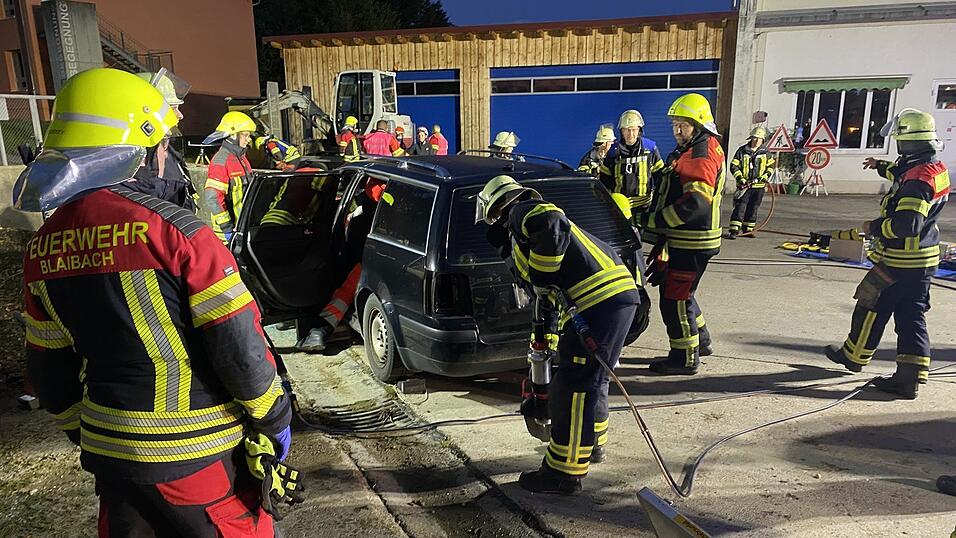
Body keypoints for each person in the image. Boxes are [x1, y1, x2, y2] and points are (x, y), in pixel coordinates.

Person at [13, 67, 295, 537]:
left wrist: (84, 432)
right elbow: (240, 352)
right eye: (164, 144)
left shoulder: (43, 246)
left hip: (112, 463)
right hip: (197, 460)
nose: (168, 156)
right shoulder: (181, 234)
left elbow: (48, 370)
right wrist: (275, 419)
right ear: (141, 153)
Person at [477, 174, 641, 495]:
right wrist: (547, 351)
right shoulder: (522, 238)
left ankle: (562, 473)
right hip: (614, 300)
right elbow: (547, 305)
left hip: (597, 301)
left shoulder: (524, 211)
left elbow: (551, 223)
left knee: (574, 385)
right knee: (591, 378)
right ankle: (591, 446)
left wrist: (540, 272)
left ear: (497, 209)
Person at [824, 108, 949, 399]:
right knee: (911, 316)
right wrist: (879, 165)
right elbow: (899, 172)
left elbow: (907, 224)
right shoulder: (932, 167)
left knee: (870, 302)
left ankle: (853, 357)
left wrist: (874, 227)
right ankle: (910, 378)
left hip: (901, 260)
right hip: (923, 260)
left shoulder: (917, 182)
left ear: (907, 142)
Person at [641, 93, 724, 375]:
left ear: (699, 125)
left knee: (674, 299)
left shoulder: (699, 155)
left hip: (691, 240)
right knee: (685, 293)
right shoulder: (701, 147)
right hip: (692, 240)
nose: (677, 131)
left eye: (683, 125)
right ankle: (702, 341)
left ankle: (684, 358)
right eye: (675, 125)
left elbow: (696, 203)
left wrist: (658, 220)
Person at [297, 179, 386, 352]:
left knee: (346, 288)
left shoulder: (362, 219)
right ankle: (321, 330)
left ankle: (321, 329)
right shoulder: (400, 208)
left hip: (365, 266)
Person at [127, 70, 196, 211]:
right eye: (172, 108)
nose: (180, 115)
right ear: (147, 110)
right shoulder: (130, 159)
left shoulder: (166, 150)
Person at [600, 110, 664, 228]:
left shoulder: (650, 148)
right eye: (627, 130)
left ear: (639, 130)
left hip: (645, 206)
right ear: (621, 131)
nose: (631, 134)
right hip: (621, 207)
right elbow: (604, 181)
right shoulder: (613, 152)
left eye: (634, 129)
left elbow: (660, 177)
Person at [202, 111, 256, 244]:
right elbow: (212, 198)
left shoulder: (241, 158)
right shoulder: (221, 160)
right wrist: (227, 229)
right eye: (245, 135)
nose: (249, 139)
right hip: (229, 232)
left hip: (242, 226)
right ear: (232, 135)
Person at [728, 126, 774, 239]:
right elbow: (734, 166)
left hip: (759, 186)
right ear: (751, 138)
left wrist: (764, 176)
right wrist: (741, 179)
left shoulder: (766, 153)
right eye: (755, 138)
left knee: (753, 207)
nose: (757, 141)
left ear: (763, 140)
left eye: (759, 139)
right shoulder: (742, 151)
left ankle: (748, 229)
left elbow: (771, 166)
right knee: (740, 207)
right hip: (744, 186)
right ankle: (734, 230)